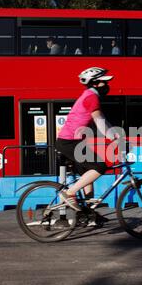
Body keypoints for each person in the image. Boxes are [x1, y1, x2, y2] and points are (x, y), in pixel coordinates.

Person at [55, 67, 118, 226]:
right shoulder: (91, 97)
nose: (108, 85)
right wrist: (113, 139)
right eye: (105, 82)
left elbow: (103, 120)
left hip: (74, 141)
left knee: (86, 175)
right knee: (99, 166)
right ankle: (68, 194)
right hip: (69, 142)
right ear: (96, 83)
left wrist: (116, 135)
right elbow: (99, 121)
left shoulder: (90, 96)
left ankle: (89, 213)